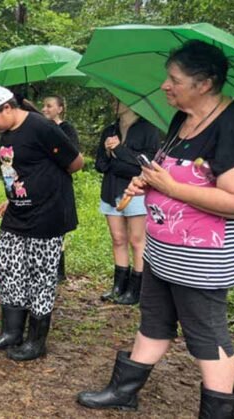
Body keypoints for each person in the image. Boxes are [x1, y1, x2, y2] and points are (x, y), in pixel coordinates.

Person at [78, 40, 234, 418]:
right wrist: (149, 181)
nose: (165, 86)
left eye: (174, 80)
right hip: (162, 249)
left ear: (205, 83)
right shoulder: (179, 120)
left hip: (202, 257)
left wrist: (170, 188)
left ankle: (217, 412)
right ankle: (124, 390)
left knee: (207, 335)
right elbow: (166, 170)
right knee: (154, 321)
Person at [0, 85, 83, 361]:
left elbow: (76, 162)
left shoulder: (41, 127)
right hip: (18, 212)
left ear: (8, 108)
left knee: (41, 275)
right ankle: (12, 332)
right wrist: (12, 198)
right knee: (9, 267)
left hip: (48, 214)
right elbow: (14, 172)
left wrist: (45, 185)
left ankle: (37, 341)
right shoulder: (5, 134)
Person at [93, 101, 161, 305]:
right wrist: (107, 152)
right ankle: (118, 286)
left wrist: (120, 150)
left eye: (117, 99)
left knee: (136, 240)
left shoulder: (149, 129)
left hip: (136, 191)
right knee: (117, 238)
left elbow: (146, 165)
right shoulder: (109, 130)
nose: (113, 103)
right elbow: (100, 165)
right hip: (110, 189)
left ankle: (136, 289)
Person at [42, 95, 80, 282]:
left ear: (60, 109)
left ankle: (58, 270)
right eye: (43, 106)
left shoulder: (66, 129)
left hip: (61, 184)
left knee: (59, 227)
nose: (45, 109)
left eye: (49, 106)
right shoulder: (41, 128)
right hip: (44, 184)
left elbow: (71, 155)